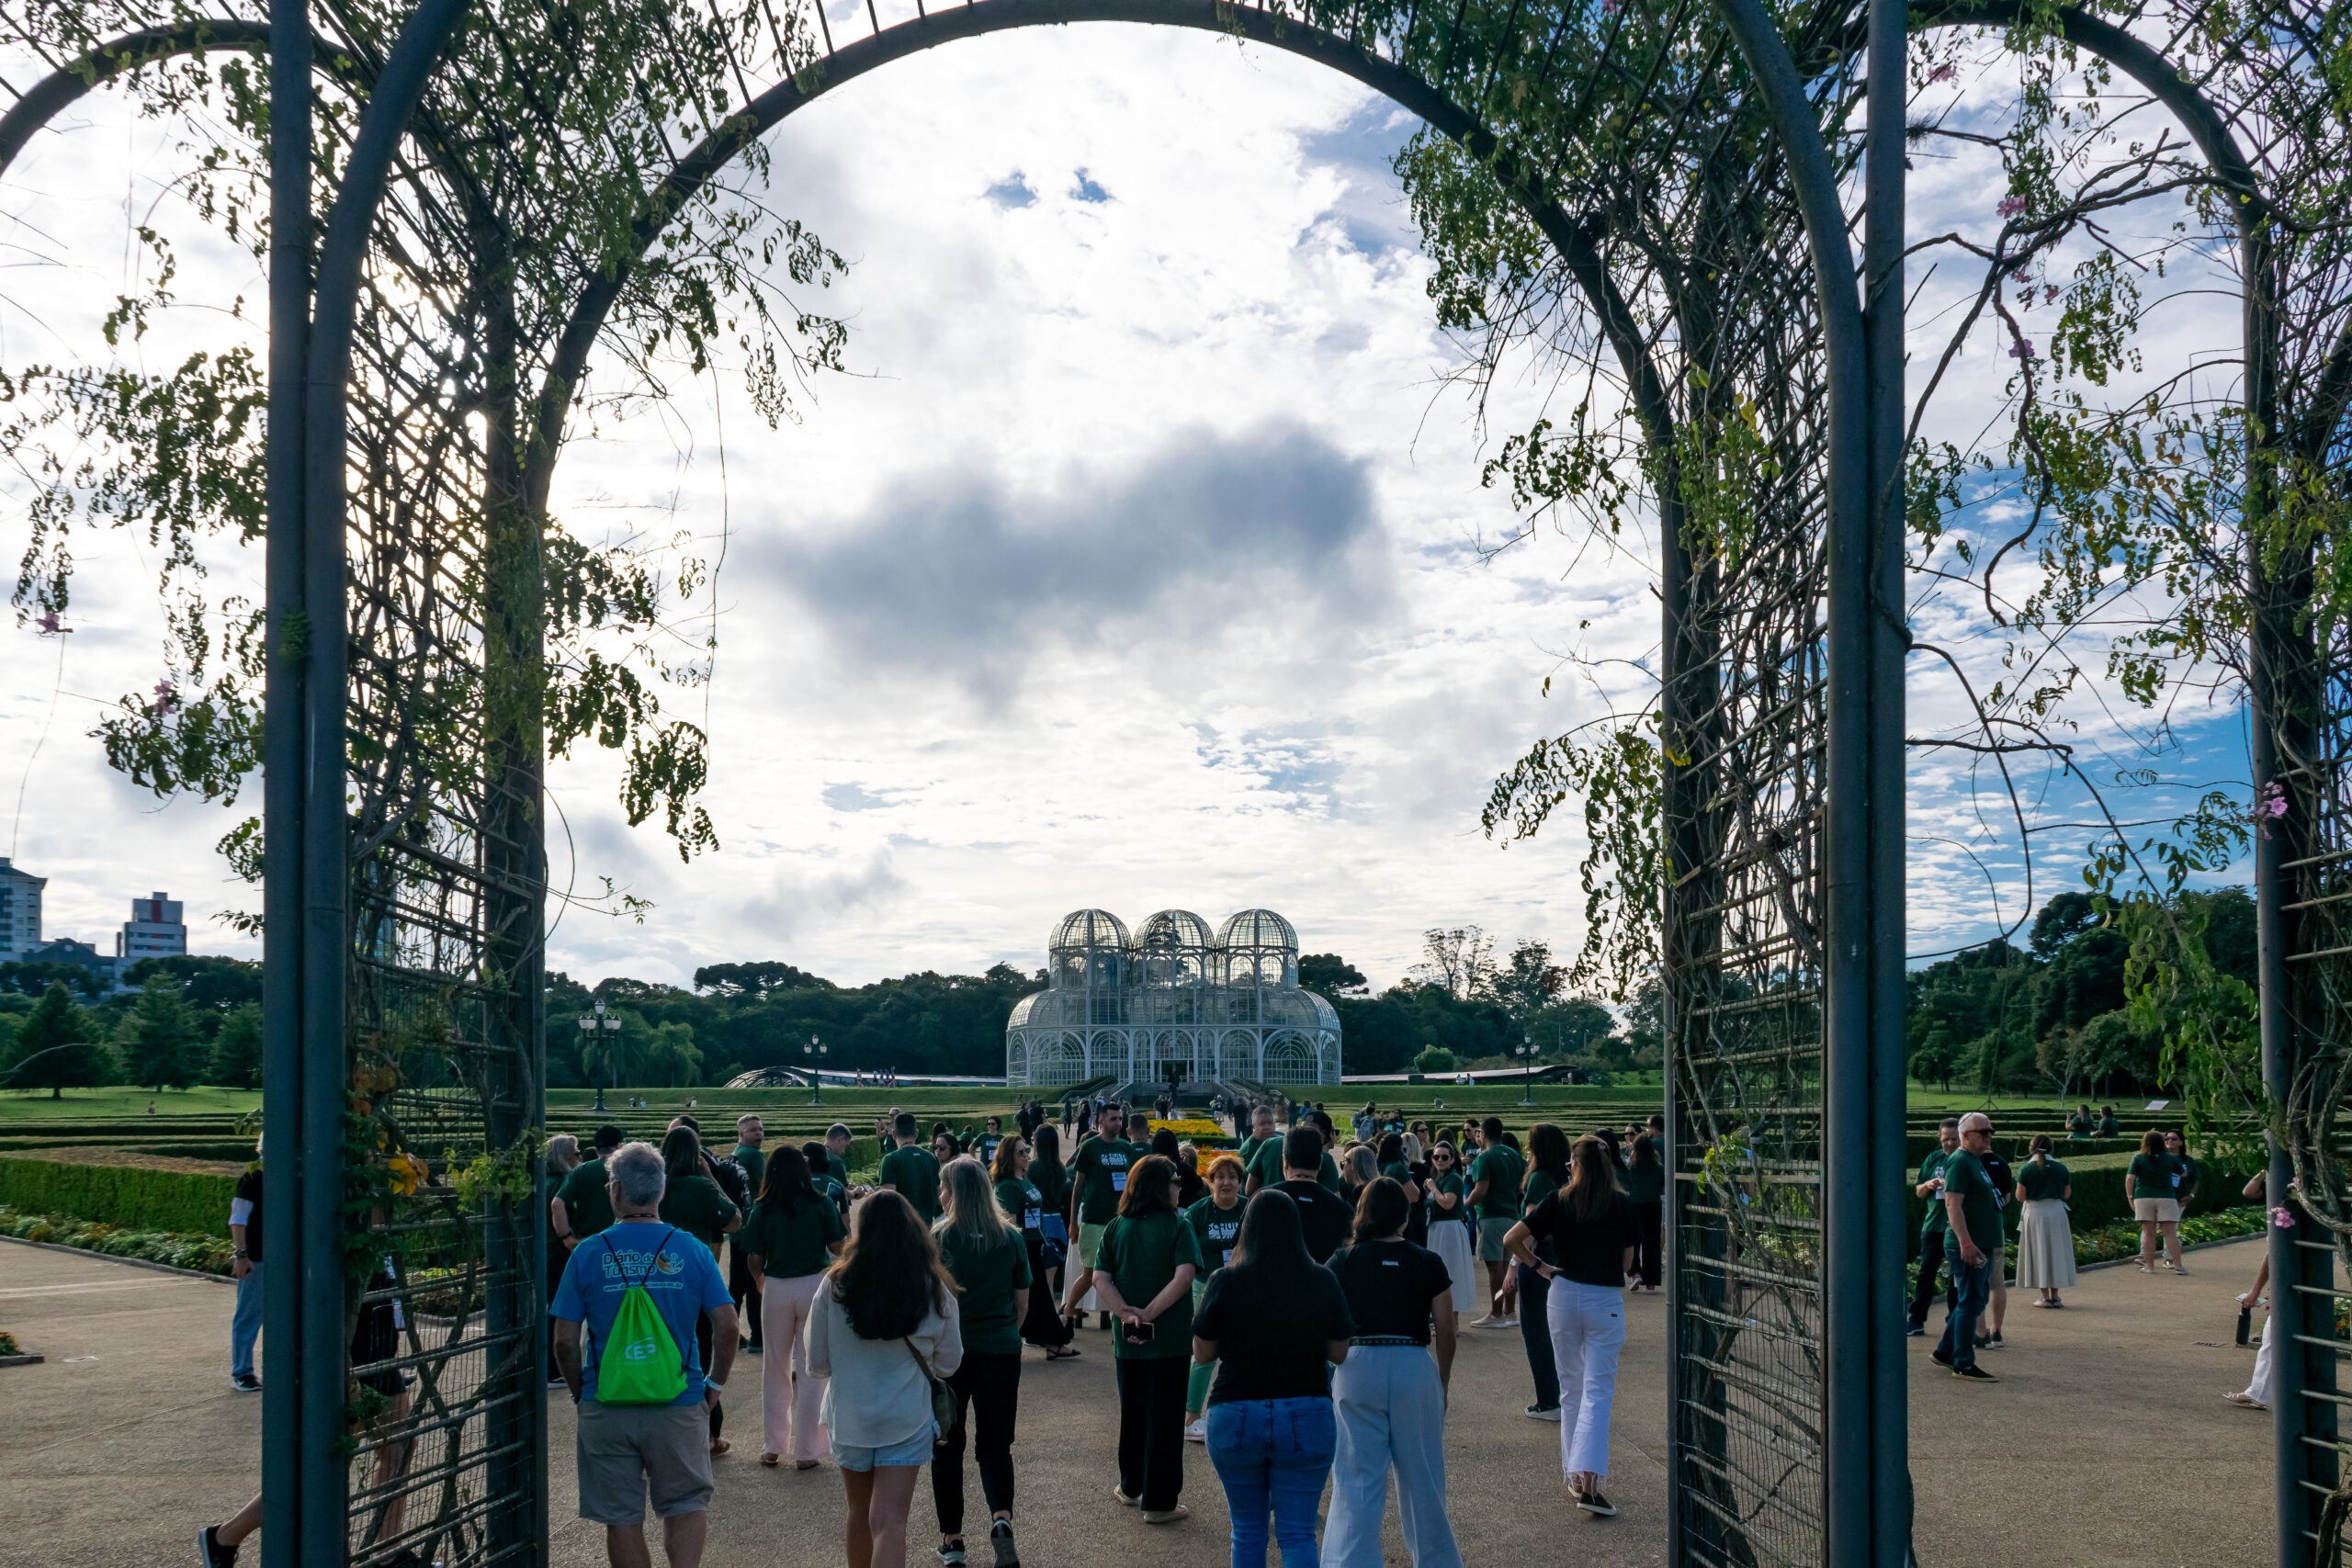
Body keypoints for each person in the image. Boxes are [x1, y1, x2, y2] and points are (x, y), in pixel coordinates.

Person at [549, 1141, 738, 1568]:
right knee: (686, 1504)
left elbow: (563, 1340)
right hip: (680, 1400)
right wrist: (713, 1387)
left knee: (621, 1518)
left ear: (614, 1190)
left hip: (607, 1403)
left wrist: (584, 1393)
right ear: (661, 1190)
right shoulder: (690, 1249)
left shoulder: (588, 1253)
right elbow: (727, 1327)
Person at [198, 1256, 422, 1568]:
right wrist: (342, 1361)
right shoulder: (347, 1224)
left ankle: (388, 1552)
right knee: (322, 1470)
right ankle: (225, 1536)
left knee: (397, 1448)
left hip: (379, 1351)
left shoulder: (376, 1231)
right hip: (355, 1356)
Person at [1193, 1189, 1352, 1563]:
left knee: (1247, 1531)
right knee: (1298, 1534)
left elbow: (1203, 1353)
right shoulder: (1321, 1279)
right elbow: (1339, 1352)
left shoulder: (1224, 1280)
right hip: (1306, 1407)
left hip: (1235, 1409)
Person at [810, 1190, 964, 1568]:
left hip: (850, 1415)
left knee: (859, 1513)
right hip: (906, 1416)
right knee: (891, 1521)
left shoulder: (835, 1287)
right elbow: (950, 1363)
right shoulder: (934, 1290)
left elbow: (817, 1363)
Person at [1323, 1179, 1462, 1568]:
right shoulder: (1427, 1261)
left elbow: (1325, 1320)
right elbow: (1446, 1330)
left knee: (1355, 1479)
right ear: (1404, 1215)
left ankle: (1348, 1562)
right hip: (1411, 1361)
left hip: (1358, 1361)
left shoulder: (1342, 1261)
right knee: (1423, 1478)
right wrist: (1443, 1380)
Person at [1505, 1134, 1637, 1515]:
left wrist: (1539, 1267)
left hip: (1562, 1294)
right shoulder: (1621, 1203)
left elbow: (1512, 1238)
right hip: (1603, 1299)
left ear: (1575, 1166)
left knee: (1570, 1389)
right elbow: (1627, 1265)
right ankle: (1590, 1481)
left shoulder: (1559, 1199)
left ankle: (1575, 1475)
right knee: (1598, 1391)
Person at [932, 1156, 1032, 1568]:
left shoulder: (939, 1237)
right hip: (1001, 1349)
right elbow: (1022, 1301)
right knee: (995, 1446)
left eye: (943, 1187)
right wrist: (1007, 1330)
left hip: (951, 1355)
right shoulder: (1010, 1238)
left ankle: (953, 1540)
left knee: (947, 1445)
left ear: (953, 1193)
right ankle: (1001, 1519)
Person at [1093, 1153, 1203, 1523]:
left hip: (1128, 1340)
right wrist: (1150, 1313)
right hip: (1169, 1338)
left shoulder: (1116, 1226)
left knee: (1134, 1414)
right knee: (1166, 1419)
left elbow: (1100, 1278)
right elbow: (1185, 1275)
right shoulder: (1177, 1224)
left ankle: (1131, 1485)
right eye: (1174, 1180)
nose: (1179, 1185)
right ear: (1160, 1186)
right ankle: (1160, 1502)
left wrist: (1126, 1312)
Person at [741, 1145, 847, 1471]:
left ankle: (773, 1445)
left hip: (777, 1285)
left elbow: (754, 1256)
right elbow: (837, 1245)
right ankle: (807, 1450)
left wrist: (760, 1278)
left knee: (775, 1367)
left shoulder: (762, 1208)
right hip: (813, 1284)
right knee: (813, 1369)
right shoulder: (821, 1202)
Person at [660, 1126, 744, 1455]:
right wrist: (711, 1177)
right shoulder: (699, 1186)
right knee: (701, 1355)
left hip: (656, 1279)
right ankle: (708, 1433)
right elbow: (735, 1219)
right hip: (694, 1276)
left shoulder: (658, 1187)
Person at [1182, 1152, 1248, 1441]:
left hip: (1242, 1288)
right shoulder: (1197, 1213)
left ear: (1240, 1182)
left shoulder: (1249, 1209)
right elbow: (1189, 1253)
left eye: (1232, 1177)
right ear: (1210, 1182)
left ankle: (1240, 1411)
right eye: (1220, 1177)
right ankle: (1192, 1417)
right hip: (1205, 1287)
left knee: (1243, 1350)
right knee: (1204, 1353)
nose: (1226, 1183)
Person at [991, 1134, 1077, 1359]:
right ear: (1008, 1157)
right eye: (1020, 1152)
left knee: (1040, 1296)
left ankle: (1051, 1341)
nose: (1026, 1155)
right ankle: (1051, 1341)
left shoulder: (1024, 1180)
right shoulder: (1008, 1186)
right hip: (1023, 1246)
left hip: (1035, 1241)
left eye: (1026, 1150)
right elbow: (1008, 1222)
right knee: (1034, 1296)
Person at [1932, 1111, 2001, 1383]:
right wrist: (1966, 1243)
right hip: (1969, 1245)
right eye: (1983, 1132)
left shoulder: (1974, 1160)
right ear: (1966, 1135)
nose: (1988, 1136)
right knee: (1971, 1301)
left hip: (1979, 1243)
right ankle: (1962, 1361)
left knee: (1972, 1300)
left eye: (1990, 1131)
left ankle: (1945, 1351)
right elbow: (1952, 1205)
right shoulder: (1960, 1162)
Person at [1062, 1103, 1138, 1330]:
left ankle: (1118, 1319)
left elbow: (1132, 1185)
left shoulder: (1126, 1148)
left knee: (1121, 1274)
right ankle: (1068, 1309)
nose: (1118, 1123)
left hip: (1120, 1220)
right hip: (1094, 1220)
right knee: (1089, 1274)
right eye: (1113, 1119)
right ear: (1101, 1121)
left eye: (1120, 1119)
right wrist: (1073, 1222)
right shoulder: (1090, 1147)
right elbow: (1078, 1186)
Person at [1515, 1122, 1570, 1422]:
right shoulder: (1565, 1178)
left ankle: (1547, 1401)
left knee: (1536, 1334)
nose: (1527, 1150)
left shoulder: (1538, 1179)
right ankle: (1561, 1395)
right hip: (1561, 1260)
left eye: (1530, 1145)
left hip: (1538, 1260)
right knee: (1556, 1334)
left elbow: (1528, 1231)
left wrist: (1516, 1266)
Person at [1468, 1116, 1525, 1328]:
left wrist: (1466, 1203)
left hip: (1491, 1216)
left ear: (1483, 1134)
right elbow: (1522, 1185)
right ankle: (1509, 1312)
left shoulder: (1484, 1157)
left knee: (1495, 1268)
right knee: (1509, 1265)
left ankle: (1496, 1313)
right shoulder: (1513, 1154)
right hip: (1512, 1215)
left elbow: (1480, 1190)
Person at [1906, 1120, 1961, 1337]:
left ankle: (1954, 1321)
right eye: (1945, 1139)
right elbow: (1918, 1191)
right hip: (1933, 1225)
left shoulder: (1965, 1159)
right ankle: (1916, 1320)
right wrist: (1928, 1185)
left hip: (1957, 1225)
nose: (1949, 1143)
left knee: (1956, 1277)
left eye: (1954, 1139)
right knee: (1926, 1273)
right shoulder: (1933, 1158)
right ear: (1939, 1138)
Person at [1272, 1126, 1352, 1263]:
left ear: (1285, 1160)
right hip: (1323, 1281)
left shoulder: (1263, 1199)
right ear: (1320, 1162)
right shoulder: (1341, 1208)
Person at [2014, 1134, 2075, 1308]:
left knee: (2039, 1252)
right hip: (2056, 1212)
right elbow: (2067, 1194)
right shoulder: (2061, 1168)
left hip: (2035, 1212)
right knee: (2055, 1252)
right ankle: (2056, 1296)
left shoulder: (2026, 1169)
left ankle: (2044, 1296)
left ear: (2031, 1148)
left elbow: (2020, 1196)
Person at [542, 1133, 582, 1383]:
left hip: (546, 1250)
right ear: (565, 1157)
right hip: (559, 1250)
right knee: (560, 1310)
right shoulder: (563, 1182)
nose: (580, 1157)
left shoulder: (545, 1181)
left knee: (553, 1307)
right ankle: (554, 1368)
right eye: (577, 1153)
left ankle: (550, 1366)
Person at [1424, 1141, 1478, 1320]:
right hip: (1438, 1228)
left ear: (1452, 1159)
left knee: (1451, 1272)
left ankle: (1452, 1322)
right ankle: (1444, 1319)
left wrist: (1432, 1189)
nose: (1440, 1160)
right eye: (1436, 1157)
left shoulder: (1452, 1178)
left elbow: (1448, 1203)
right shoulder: (1438, 1177)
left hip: (1449, 1229)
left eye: (1444, 1157)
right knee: (1440, 1272)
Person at [228, 1133, 266, 1393]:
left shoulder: (291, 1176)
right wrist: (242, 1256)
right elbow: (238, 1219)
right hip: (258, 1259)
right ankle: (242, 1373)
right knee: (249, 1317)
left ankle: (270, 1369)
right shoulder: (251, 1179)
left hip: (281, 1258)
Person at [554, 1123, 628, 1254]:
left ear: (596, 1148)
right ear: (618, 1146)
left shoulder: (580, 1171)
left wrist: (567, 1238)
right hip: (622, 1241)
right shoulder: (629, 1169)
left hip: (587, 1242)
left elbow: (557, 1203)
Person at [729, 1116, 768, 1354]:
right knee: (755, 1283)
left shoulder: (736, 1153)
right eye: (754, 1130)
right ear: (741, 1134)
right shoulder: (753, 1156)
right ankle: (758, 1337)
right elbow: (767, 1187)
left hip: (737, 1231)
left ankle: (728, 1331)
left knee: (737, 1285)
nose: (760, 1134)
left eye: (761, 1130)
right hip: (752, 1230)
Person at [2127, 1127, 2188, 1274]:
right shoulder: (2170, 1158)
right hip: (2166, 1196)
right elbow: (2183, 1173)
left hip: (2143, 1196)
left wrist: (2130, 1197)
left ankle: (2149, 1266)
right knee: (2170, 1233)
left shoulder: (2138, 1158)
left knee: (2149, 1233)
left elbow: (2130, 1178)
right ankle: (2178, 1266)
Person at [879, 1111, 944, 1224]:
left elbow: (887, 1201)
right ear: (916, 1133)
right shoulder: (931, 1157)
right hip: (927, 1225)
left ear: (893, 1134)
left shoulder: (890, 1159)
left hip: (903, 1227)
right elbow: (939, 1195)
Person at [1623, 1125, 1664, 1292]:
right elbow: (1662, 1187)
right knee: (1652, 1243)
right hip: (1653, 1206)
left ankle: (1635, 1273)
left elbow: (1626, 1186)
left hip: (1634, 1206)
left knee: (1633, 1241)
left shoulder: (1631, 1167)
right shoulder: (1658, 1168)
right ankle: (1651, 1281)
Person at [2166, 1130, 2202, 1216]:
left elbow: (2196, 1178)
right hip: (2162, 1197)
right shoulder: (2160, 1158)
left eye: (2173, 1139)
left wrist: (2191, 1195)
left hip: (2179, 1199)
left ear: (2181, 1142)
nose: (2169, 1141)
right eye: (2167, 1139)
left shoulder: (2188, 1160)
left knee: (2172, 1227)